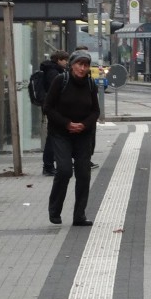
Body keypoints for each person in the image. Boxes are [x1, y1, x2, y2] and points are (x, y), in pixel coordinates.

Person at [44, 50, 100, 227]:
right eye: (79, 64)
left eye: (86, 65)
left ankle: (79, 215)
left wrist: (84, 124)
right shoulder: (61, 81)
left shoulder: (91, 84)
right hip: (61, 133)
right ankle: (54, 210)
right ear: (72, 65)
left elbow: (95, 111)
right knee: (65, 170)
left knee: (83, 173)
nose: (82, 68)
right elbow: (48, 107)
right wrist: (67, 123)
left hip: (83, 135)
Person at [39, 50, 69, 177]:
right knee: (52, 138)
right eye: (65, 60)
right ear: (58, 60)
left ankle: (50, 165)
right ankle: (48, 166)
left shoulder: (53, 70)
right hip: (54, 108)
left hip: (53, 107)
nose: (67, 62)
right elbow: (57, 90)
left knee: (53, 137)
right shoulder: (53, 72)